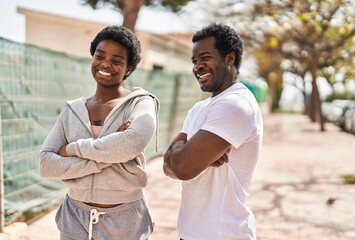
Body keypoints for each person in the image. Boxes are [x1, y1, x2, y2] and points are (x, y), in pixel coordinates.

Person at [39, 25, 159, 240]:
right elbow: (46, 165)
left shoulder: (139, 104)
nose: (105, 64)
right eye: (100, 56)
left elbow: (132, 144)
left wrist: (70, 149)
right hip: (75, 217)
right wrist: (109, 156)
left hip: (125, 222)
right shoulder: (71, 110)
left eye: (116, 61)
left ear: (129, 68)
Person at [163, 23, 263, 240]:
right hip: (191, 233)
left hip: (223, 233)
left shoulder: (236, 105)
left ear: (230, 58)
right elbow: (167, 165)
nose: (198, 66)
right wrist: (191, 154)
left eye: (205, 57)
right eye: (195, 60)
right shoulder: (200, 108)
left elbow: (181, 167)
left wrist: (185, 153)